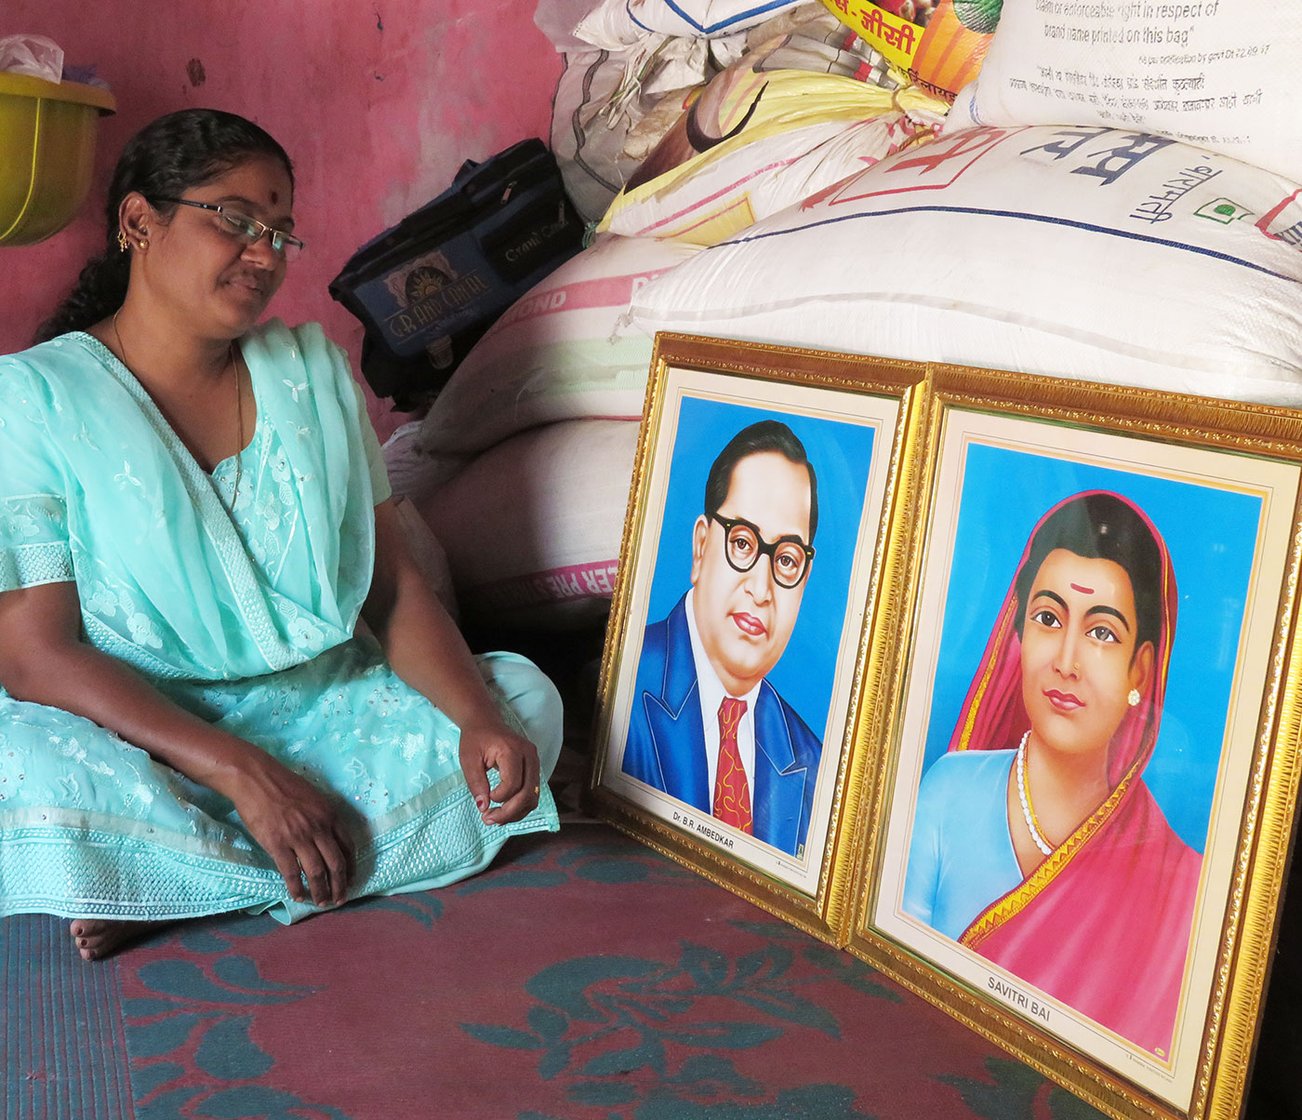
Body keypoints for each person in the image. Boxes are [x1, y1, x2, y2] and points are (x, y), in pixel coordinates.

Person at [0, 109, 561, 961]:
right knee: (26, 769)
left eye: (279, 233)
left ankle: (178, 879)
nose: (263, 255)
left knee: (525, 707)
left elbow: (392, 587)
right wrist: (241, 771)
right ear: (139, 222)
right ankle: (240, 856)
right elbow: (35, 656)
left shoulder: (310, 376)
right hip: (145, 730)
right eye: (235, 220)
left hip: (319, 707)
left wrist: (479, 718)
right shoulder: (33, 397)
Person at [902, 490, 1200, 1056]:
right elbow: (893, 987)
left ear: (1140, 669)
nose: (1066, 661)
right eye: (1048, 618)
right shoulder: (946, 794)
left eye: (1102, 632)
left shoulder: (1182, 895)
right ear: (1018, 634)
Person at [622, 420, 822, 857]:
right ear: (701, 547)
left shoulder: (813, 763)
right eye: (743, 543)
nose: (761, 589)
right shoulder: (624, 683)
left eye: (787, 559)